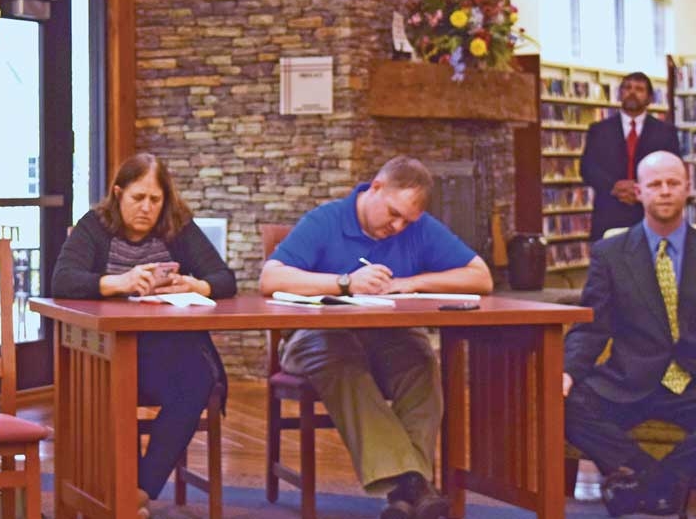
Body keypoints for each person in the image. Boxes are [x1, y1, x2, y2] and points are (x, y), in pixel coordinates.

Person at [259, 156, 492, 519]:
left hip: (386, 334)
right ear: (376, 188)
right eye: (393, 214)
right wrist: (344, 282)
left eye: (407, 221)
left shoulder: (418, 228)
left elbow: (481, 277)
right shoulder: (326, 220)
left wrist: (413, 282)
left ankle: (403, 499)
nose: (398, 227)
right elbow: (270, 279)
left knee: (420, 362)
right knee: (342, 364)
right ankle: (414, 484)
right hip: (316, 334)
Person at [52, 153, 237, 518]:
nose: (147, 208)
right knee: (113, 385)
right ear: (118, 194)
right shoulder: (95, 225)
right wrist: (115, 283)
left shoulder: (178, 226)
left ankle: (137, 492)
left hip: (169, 349)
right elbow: (62, 279)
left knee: (198, 380)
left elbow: (225, 279)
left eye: (155, 200)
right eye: (138, 198)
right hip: (109, 348)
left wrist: (196, 284)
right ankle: (120, 493)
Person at [563, 150, 695, 517]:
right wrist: (567, 372)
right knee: (562, 402)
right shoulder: (611, 253)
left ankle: (640, 487)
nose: (665, 191)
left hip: (692, 383)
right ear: (639, 192)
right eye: (655, 184)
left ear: (688, 188)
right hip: (629, 380)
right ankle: (659, 484)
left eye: (673, 183)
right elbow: (592, 327)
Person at [581, 71, 681, 241]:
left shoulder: (665, 132)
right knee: (608, 264)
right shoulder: (599, 130)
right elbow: (587, 168)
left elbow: (673, 170)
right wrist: (614, 186)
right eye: (627, 88)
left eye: (639, 89)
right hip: (609, 210)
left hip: (649, 212)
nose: (632, 92)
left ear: (650, 98)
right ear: (620, 94)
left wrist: (640, 188)